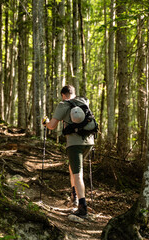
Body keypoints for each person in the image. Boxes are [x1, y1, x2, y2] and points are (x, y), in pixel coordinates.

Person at [43, 85, 94, 218]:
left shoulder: (63, 105)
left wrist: (46, 123)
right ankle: (74, 196)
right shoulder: (84, 101)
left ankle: (82, 206)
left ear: (63, 95)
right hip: (89, 142)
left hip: (74, 144)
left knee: (77, 174)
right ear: (74, 93)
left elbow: (52, 126)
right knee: (73, 168)